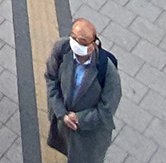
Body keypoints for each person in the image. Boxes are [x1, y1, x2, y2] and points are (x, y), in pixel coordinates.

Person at [44, 19, 121, 162]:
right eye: (73, 37)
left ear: (93, 45)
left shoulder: (107, 71)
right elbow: (51, 79)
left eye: (82, 41)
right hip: (62, 122)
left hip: (89, 134)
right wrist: (62, 113)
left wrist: (79, 118)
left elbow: (107, 109)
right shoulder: (62, 49)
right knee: (65, 147)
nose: (76, 43)